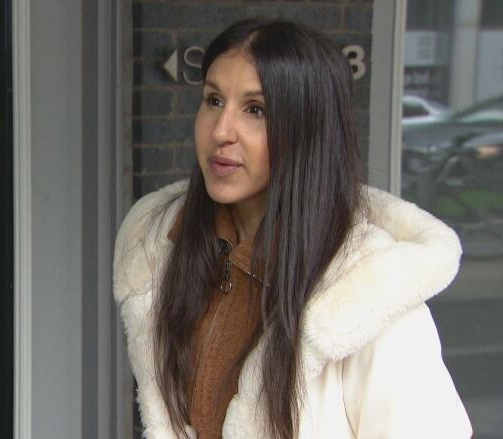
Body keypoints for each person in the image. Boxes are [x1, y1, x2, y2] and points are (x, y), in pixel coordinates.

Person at [113, 20, 472, 439]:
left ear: (307, 128)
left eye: (255, 109)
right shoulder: (166, 247)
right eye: (213, 99)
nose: (220, 131)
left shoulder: (370, 294)